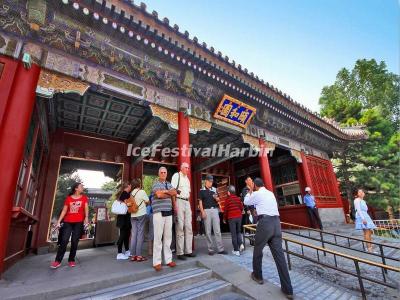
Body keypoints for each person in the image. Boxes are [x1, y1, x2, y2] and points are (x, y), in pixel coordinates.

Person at [244, 178, 293, 299]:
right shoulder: (270, 193)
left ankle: (258, 276)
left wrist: (249, 190)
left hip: (265, 223)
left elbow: (246, 202)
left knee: (257, 249)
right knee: (279, 256)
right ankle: (288, 289)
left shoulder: (256, 193)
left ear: (255, 185)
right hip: (277, 223)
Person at [51, 182, 89, 269]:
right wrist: (59, 221)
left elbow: (86, 208)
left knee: (75, 241)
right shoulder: (68, 198)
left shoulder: (84, 198)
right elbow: (64, 210)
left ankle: (71, 259)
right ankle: (57, 261)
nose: (82, 187)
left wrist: (86, 218)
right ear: (76, 188)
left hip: (79, 222)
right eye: (81, 186)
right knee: (64, 240)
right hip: (68, 221)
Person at [151, 166, 177, 271]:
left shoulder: (170, 183)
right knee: (158, 237)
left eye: (164, 172)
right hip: (158, 212)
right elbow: (158, 195)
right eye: (161, 172)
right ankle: (157, 262)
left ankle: (168, 259)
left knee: (168, 237)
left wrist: (165, 192)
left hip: (169, 212)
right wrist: (168, 193)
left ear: (166, 174)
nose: (163, 174)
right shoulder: (155, 183)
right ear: (158, 174)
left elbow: (174, 193)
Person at [171, 162, 196, 260]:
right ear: (181, 168)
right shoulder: (176, 176)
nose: (187, 169)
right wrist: (174, 205)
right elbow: (173, 191)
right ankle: (180, 252)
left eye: (188, 168)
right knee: (180, 227)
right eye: (186, 167)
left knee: (189, 227)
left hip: (187, 202)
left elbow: (188, 193)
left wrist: (189, 206)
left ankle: (188, 251)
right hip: (179, 201)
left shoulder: (187, 179)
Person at [198, 175, 227, 255]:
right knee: (208, 231)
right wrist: (202, 211)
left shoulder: (214, 189)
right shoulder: (201, 190)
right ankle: (210, 249)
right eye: (210, 181)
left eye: (212, 181)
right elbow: (200, 202)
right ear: (206, 181)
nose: (211, 183)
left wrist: (217, 198)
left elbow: (218, 200)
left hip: (215, 210)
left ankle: (220, 249)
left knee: (217, 230)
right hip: (206, 210)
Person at [130, 178, 150, 262]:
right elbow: (148, 201)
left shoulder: (131, 193)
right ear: (139, 184)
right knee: (140, 234)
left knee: (134, 234)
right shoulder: (142, 192)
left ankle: (133, 255)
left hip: (132, 215)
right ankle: (139, 256)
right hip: (141, 214)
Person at [223, 185, 244, 256]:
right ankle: (241, 244)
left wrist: (224, 218)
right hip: (239, 217)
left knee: (233, 234)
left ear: (228, 192)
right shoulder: (238, 198)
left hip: (232, 218)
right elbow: (241, 208)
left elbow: (225, 210)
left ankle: (236, 250)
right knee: (238, 232)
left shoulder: (227, 199)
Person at [115, 181, 132, 260]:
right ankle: (119, 253)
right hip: (124, 218)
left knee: (126, 235)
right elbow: (127, 204)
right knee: (123, 235)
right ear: (128, 186)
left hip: (123, 217)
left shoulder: (122, 193)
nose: (131, 187)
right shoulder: (125, 194)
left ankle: (127, 251)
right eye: (130, 185)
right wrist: (131, 203)